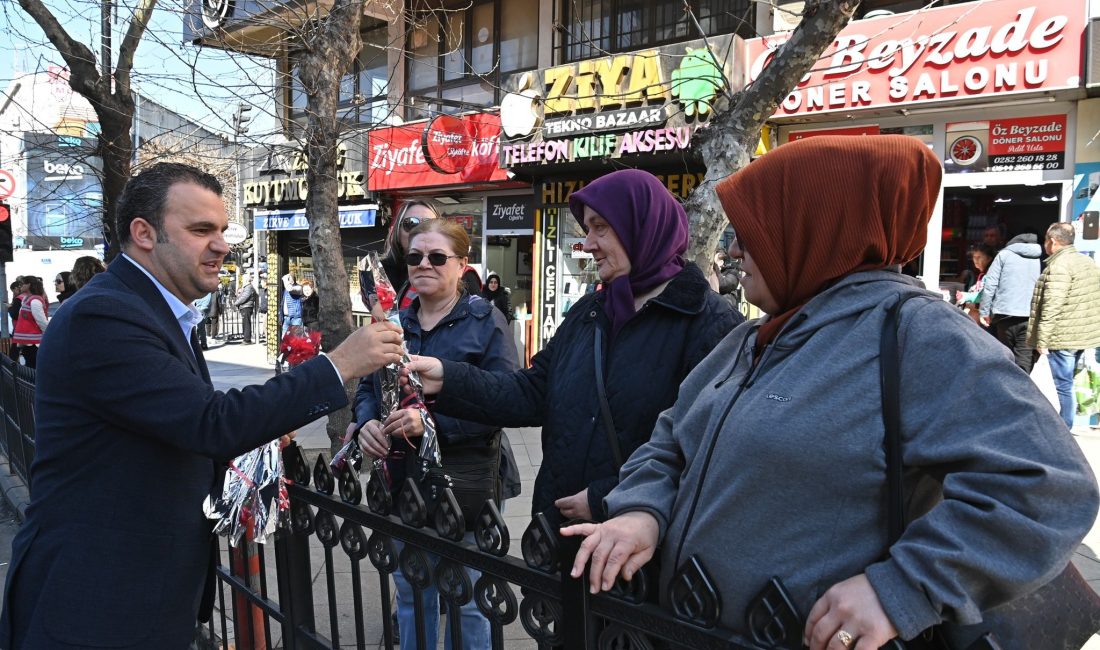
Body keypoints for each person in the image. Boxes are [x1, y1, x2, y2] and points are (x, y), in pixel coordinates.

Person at [560, 136, 1099, 650]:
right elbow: (672, 440)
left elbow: (1048, 486)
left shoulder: (919, 336)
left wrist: (905, 587)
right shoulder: (751, 337)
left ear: (813, 229)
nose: (735, 251)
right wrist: (642, 511)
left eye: (752, 231)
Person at [0, 162, 405, 649]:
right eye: (201, 230)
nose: (222, 245)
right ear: (144, 234)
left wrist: (263, 436)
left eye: (222, 230)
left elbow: (175, 427)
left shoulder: (156, 310)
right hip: (95, 604)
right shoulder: (103, 315)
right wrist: (339, 364)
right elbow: (209, 422)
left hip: (139, 598)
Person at [406, 169, 741, 530]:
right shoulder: (590, 311)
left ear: (641, 226)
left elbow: (708, 450)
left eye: (601, 227)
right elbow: (531, 392)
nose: (588, 243)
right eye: (587, 230)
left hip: (637, 553)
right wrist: (447, 378)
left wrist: (605, 498)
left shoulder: (711, 323)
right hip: (558, 536)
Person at [350, 218, 519, 650]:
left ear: (461, 264)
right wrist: (367, 420)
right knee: (411, 591)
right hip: (403, 480)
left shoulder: (486, 321)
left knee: (465, 600)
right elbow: (368, 385)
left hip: (463, 480)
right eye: (415, 256)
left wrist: (430, 425)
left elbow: (505, 400)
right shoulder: (394, 322)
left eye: (437, 257)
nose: (424, 264)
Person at [1027, 222, 1100, 429]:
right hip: (1080, 335)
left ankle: (1063, 428)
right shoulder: (1086, 262)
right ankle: (1063, 426)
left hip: (1062, 336)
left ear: (1053, 241)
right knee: (1066, 383)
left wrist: (1042, 340)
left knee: (1062, 386)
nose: (1044, 245)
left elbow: (1052, 304)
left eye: (1045, 241)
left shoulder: (1060, 266)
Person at [978, 232, 1042, 372]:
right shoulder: (1042, 258)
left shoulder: (1004, 255)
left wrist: (984, 311)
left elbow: (990, 285)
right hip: (1031, 317)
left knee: (1006, 358)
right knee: (1024, 361)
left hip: (1004, 314)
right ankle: (1022, 389)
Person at [12, 276, 49, 368]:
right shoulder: (27, 299)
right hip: (28, 342)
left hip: (33, 343)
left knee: (33, 366)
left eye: (23, 284)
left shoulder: (35, 301)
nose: (20, 286)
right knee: (30, 365)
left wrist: (48, 335)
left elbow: (42, 322)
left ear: (29, 285)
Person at [958, 243, 996, 326]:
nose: (975, 260)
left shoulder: (991, 275)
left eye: (979, 257)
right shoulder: (983, 275)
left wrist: (966, 296)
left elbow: (984, 295)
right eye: (974, 257)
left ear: (989, 258)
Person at [234, 273, 259, 344]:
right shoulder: (246, 287)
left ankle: (247, 339)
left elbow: (244, 297)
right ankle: (246, 338)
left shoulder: (248, 287)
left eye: (243, 279)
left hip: (246, 307)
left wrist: (236, 303)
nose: (242, 280)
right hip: (245, 306)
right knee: (245, 323)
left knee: (246, 323)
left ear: (246, 279)